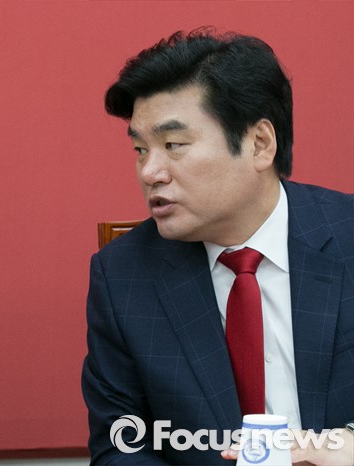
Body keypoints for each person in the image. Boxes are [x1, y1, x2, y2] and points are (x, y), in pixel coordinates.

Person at [82, 28, 354, 465]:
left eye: (174, 145)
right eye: (140, 149)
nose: (150, 172)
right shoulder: (123, 276)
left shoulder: (347, 236)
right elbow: (120, 447)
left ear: (259, 144)